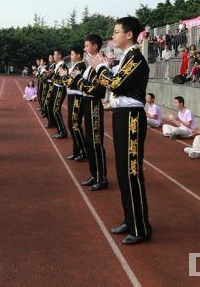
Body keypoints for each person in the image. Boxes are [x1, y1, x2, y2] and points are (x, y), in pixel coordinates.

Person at [86, 16, 152, 245]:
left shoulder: (136, 58)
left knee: (132, 171)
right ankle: (130, 218)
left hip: (132, 118)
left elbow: (115, 84)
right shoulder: (126, 58)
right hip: (122, 116)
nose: (113, 36)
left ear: (129, 35)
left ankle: (141, 226)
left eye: (116, 32)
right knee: (123, 172)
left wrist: (100, 67)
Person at [77, 34, 108, 191]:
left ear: (95, 46)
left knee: (96, 141)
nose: (85, 48)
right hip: (87, 102)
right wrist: (81, 84)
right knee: (90, 141)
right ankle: (94, 174)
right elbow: (82, 83)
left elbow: (98, 89)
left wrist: (81, 84)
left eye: (87, 45)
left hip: (94, 104)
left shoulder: (100, 64)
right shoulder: (90, 64)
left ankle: (101, 177)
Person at [58, 46, 87, 162]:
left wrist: (64, 75)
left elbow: (69, 82)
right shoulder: (75, 66)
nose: (71, 56)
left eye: (72, 54)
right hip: (72, 96)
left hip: (77, 97)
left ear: (78, 55)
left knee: (74, 124)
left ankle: (83, 151)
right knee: (71, 124)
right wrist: (65, 76)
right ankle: (76, 151)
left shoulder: (80, 66)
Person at [48, 49, 68, 138]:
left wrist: (51, 77)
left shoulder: (62, 65)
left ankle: (62, 131)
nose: (54, 56)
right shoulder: (57, 65)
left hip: (60, 89)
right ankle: (60, 130)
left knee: (56, 110)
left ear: (60, 55)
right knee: (54, 109)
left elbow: (62, 80)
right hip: (55, 88)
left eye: (55, 54)